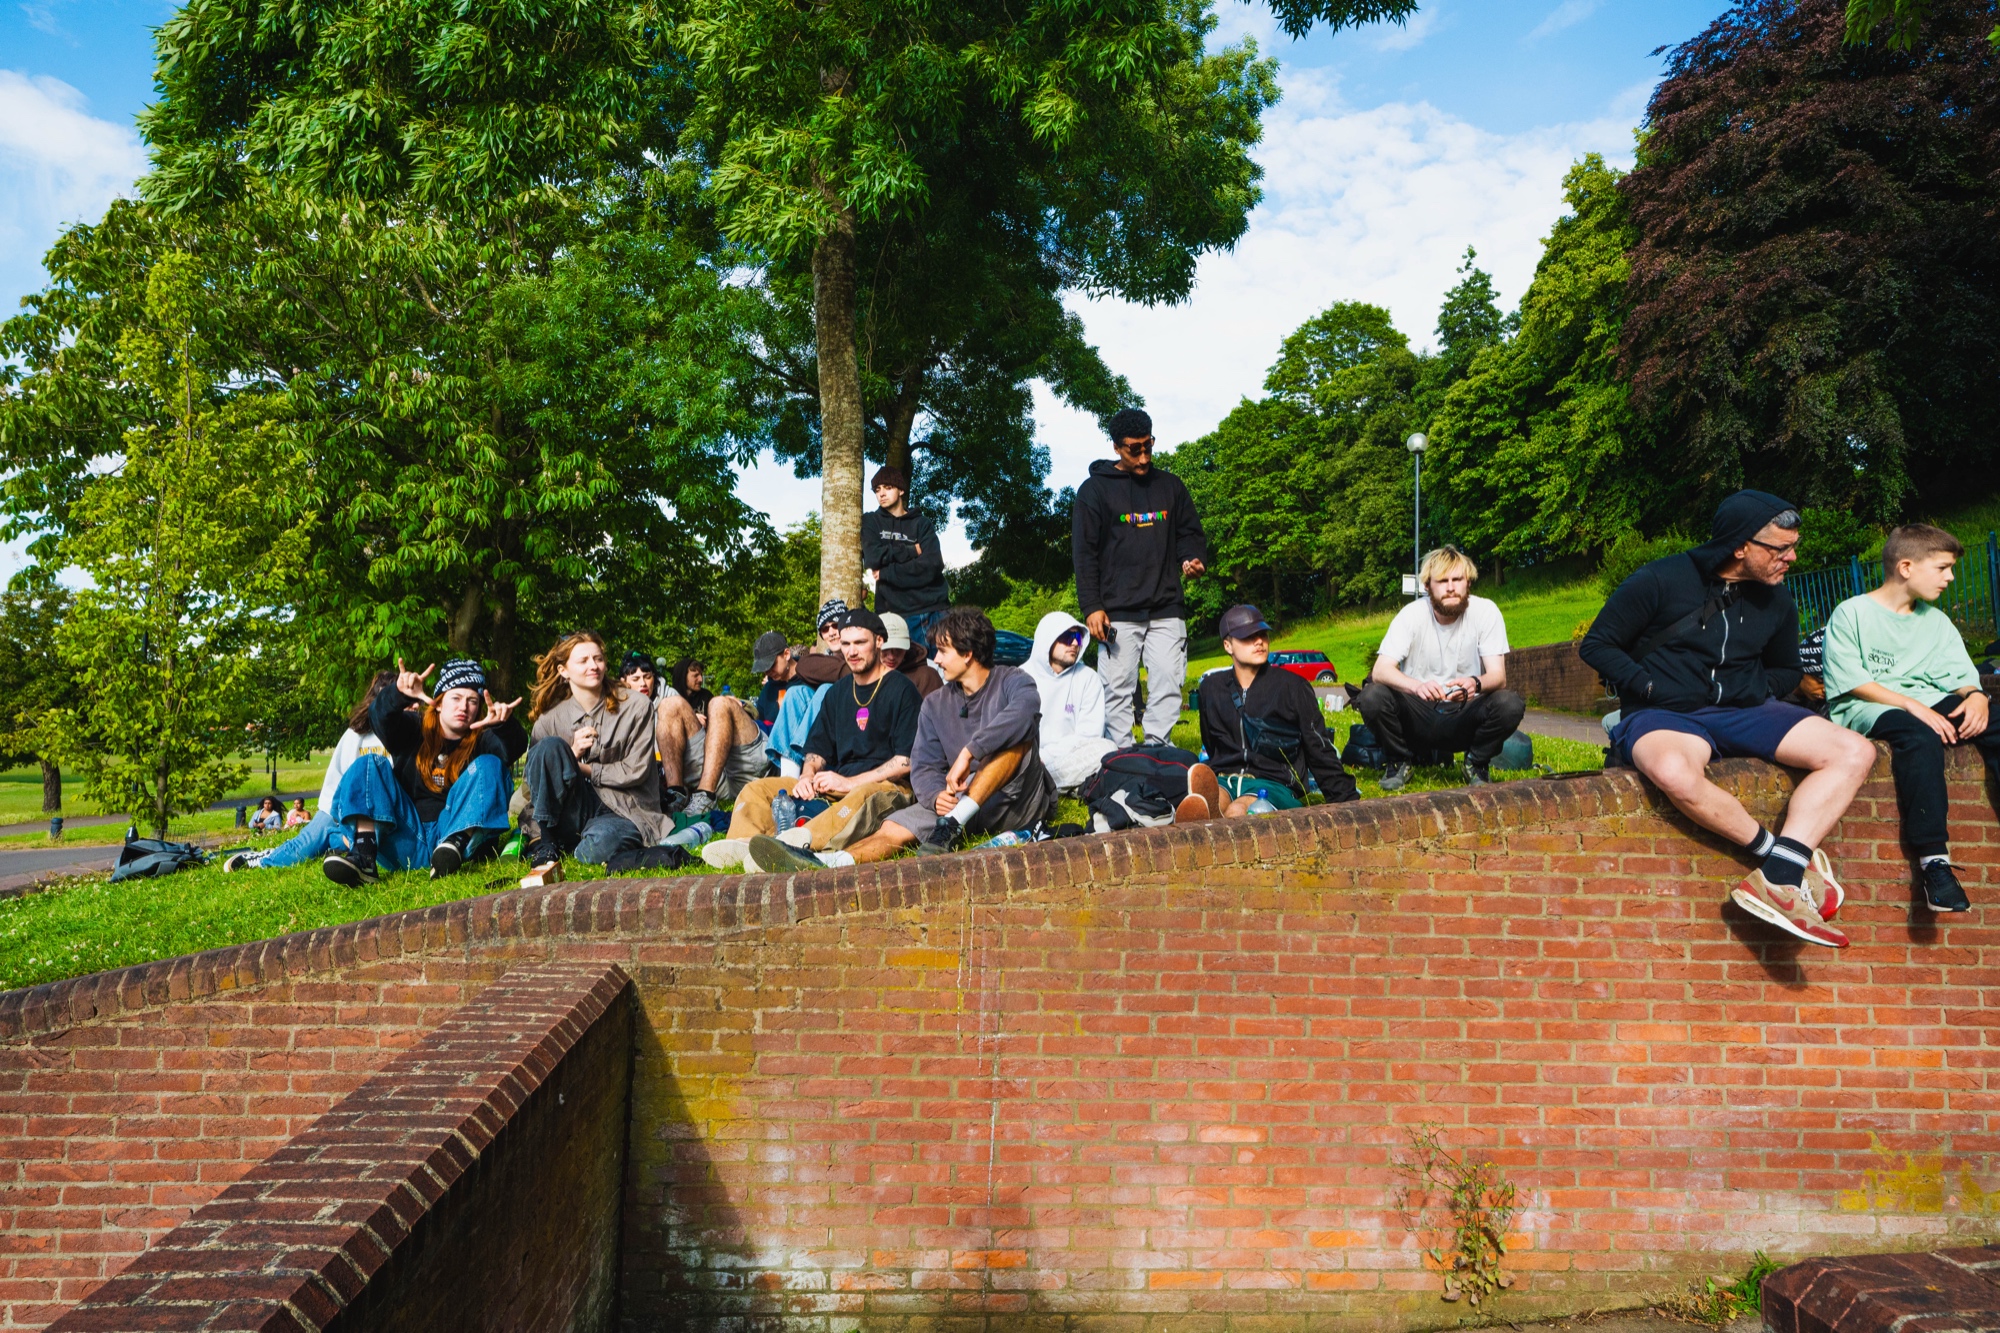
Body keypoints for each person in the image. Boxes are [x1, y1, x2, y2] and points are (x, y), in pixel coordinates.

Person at [1580, 491, 1878, 950]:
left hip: (1745, 710)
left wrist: (1751, 690)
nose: (1791, 558)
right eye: (1780, 549)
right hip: (1664, 712)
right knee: (1674, 773)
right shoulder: (1660, 579)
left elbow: (1787, 671)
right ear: (1741, 546)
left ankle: (1781, 873)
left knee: (1855, 750)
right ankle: (1775, 857)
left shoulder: (1777, 600)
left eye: (1793, 546)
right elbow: (1598, 645)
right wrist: (1650, 687)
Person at [752, 606, 1055, 869]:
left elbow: (1023, 714)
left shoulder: (1012, 681)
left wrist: (969, 753)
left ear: (968, 653)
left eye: (943, 651)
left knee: (1019, 740)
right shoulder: (936, 704)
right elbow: (923, 765)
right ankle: (829, 862)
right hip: (954, 806)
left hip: (1013, 803)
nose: (936, 658)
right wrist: (937, 796)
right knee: (893, 827)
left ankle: (952, 822)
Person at [1821, 523, 2000, 913]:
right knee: (1919, 736)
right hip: (1868, 706)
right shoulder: (1852, 613)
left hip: (1928, 702)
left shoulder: (1935, 621)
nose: (1951, 577)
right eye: (1942, 568)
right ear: (1906, 567)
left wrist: (1978, 698)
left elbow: (1963, 677)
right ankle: (1934, 863)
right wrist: (1908, 704)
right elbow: (1851, 682)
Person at [704, 609, 922, 870]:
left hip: (886, 787)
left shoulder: (902, 689)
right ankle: (744, 842)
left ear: (878, 641)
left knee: (863, 794)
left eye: (860, 643)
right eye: (846, 643)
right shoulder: (838, 693)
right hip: (836, 786)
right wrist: (807, 775)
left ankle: (797, 846)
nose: (852, 652)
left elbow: (905, 761)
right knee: (757, 789)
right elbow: (816, 750)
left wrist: (849, 782)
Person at [323, 658, 527, 885]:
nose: (464, 707)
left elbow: (514, 748)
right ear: (439, 702)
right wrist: (399, 693)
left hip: (458, 840)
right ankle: (364, 856)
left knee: (491, 765)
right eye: (456, 698)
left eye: (472, 701)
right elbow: (380, 717)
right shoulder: (413, 727)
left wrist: (504, 725)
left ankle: (454, 848)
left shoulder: (484, 739)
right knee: (369, 764)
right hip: (408, 835)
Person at [1072, 407, 1207, 746]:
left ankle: (1158, 747)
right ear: (1117, 446)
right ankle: (1121, 753)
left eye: (1149, 445)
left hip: (1166, 606)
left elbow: (1189, 533)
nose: (1144, 456)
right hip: (1118, 611)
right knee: (1116, 689)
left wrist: (1192, 558)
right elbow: (1084, 553)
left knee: (1169, 681)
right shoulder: (1094, 492)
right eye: (1135, 449)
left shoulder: (1171, 487)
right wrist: (1091, 606)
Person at [1355, 546, 1527, 791]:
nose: (1450, 587)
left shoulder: (1486, 611)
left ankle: (1476, 763)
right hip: (1418, 712)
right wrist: (1417, 686)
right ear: (1427, 586)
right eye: (1442, 581)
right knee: (1372, 695)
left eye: (1457, 579)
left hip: (1466, 711)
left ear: (1468, 582)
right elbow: (1381, 670)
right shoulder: (1411, 614)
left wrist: (1474, 683)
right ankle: (1399, 761)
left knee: (1510, 703)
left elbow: (1498, 677)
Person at [518, 631, 664, 883]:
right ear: (564, 671)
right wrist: (568, 754)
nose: (593, 666)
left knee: (595, 850)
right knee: (551, 746)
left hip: (623, 807)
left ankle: (573, 842)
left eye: (598, 659)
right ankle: (547, 844)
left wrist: (581, 768)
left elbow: (636, 770)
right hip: (571, 805)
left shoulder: (637, 706)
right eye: (583, 661)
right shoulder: (549, 720)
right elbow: (533, 786)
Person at [224, 671, 396, 872]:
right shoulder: (356, 735)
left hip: (377, 815)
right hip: (337, 809)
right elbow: (342, 778)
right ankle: (263, 859)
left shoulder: (403, 733)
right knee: (304, 846)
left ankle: (334, 843)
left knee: (351, 842)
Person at [1196, 604, 1360, 815]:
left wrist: (1347, 802)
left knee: (1238, 811)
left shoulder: (1293, 687)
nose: (1259, 642)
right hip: (1225, 779)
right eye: (1248, 637)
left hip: (1274, 782)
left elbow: (1318, 747)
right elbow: (1211, 743)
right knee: (1207, 808)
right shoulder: (1211, 688)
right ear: (1228, 646)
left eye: (1262, 634)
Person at [659, 650, 776, 818]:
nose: (700, 679)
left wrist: (737, 706)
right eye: (695, 675)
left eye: (701, 675)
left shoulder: (799, 683)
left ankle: (706, 795)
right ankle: (676, 795)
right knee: (668, 705)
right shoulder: (674, 697)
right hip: (713, 773)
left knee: (719, 703)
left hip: (745, 768)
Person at [1024, 610, 1118, 790]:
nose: (1075, 643)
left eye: (1078, 637)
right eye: (1067, 637)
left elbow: (1088, 736)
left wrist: (1047, 757)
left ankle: (1039, 784)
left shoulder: (1088, 678)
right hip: (1028, 758)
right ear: (1047, 639)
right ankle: (1048, 783)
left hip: (1067, 759)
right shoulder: (1021, 677)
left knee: (1107, 749)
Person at [862, 465, 950, 653]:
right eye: (877, 490)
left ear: (901, 490)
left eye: (887, 487)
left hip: (934, 610)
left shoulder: (922, 524)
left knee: (945, 676)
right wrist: (912, 550)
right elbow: (872, 557)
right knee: (905, 678)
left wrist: (887, 572)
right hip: (895, 616)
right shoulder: (871, 522)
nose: (882, 494)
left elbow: (932, 565)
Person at [880, 613, 943, 698]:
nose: (891, 656)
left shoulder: (926, 677)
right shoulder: (860, 675)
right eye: (885, 649)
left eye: (898, 649)